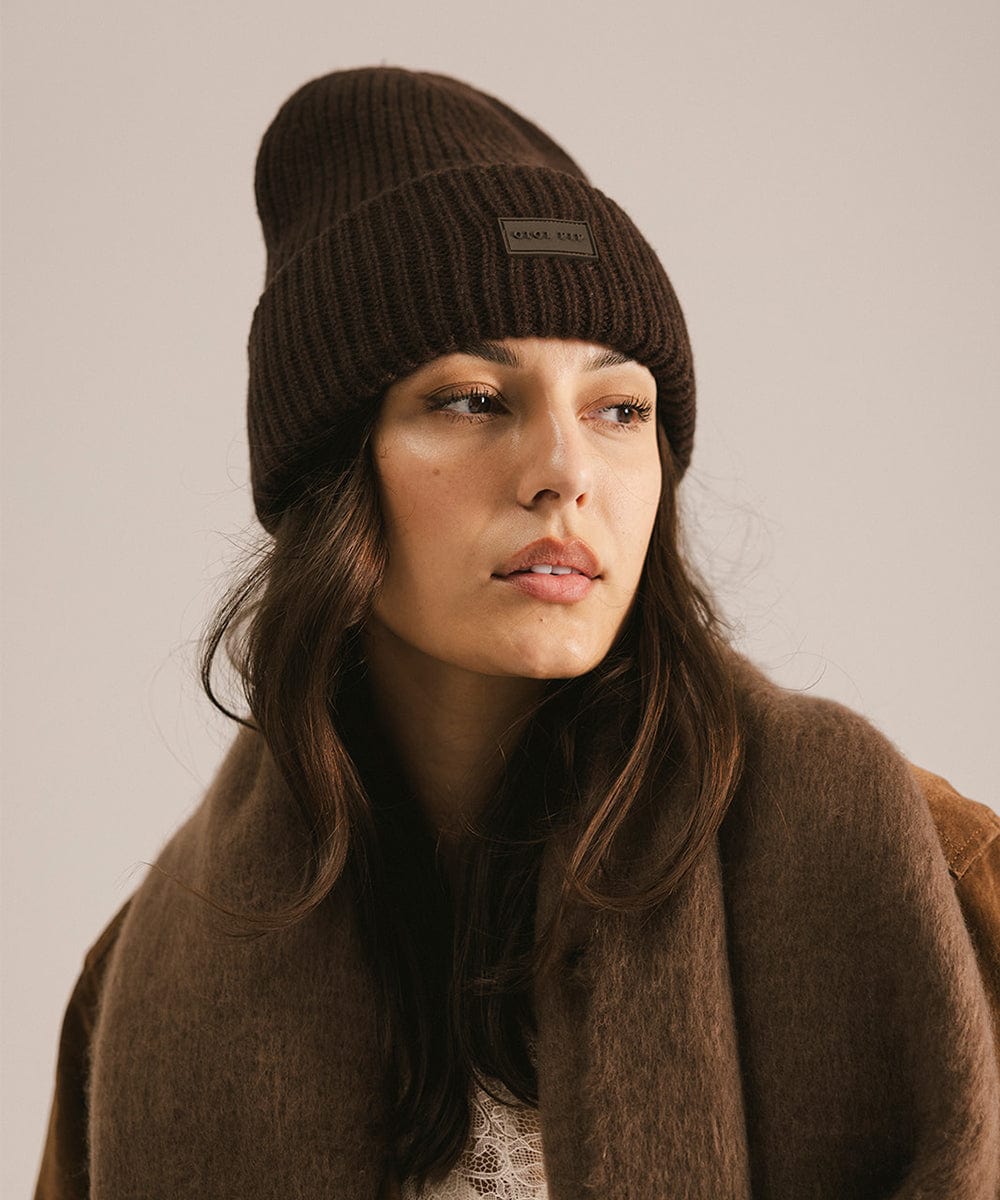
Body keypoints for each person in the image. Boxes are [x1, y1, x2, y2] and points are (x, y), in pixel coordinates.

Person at [33, 66, 1000, 1200]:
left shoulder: (918, 866)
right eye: (471, 399)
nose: (563, 473)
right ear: (334, 479)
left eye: (619, 409)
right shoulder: (149, 976)